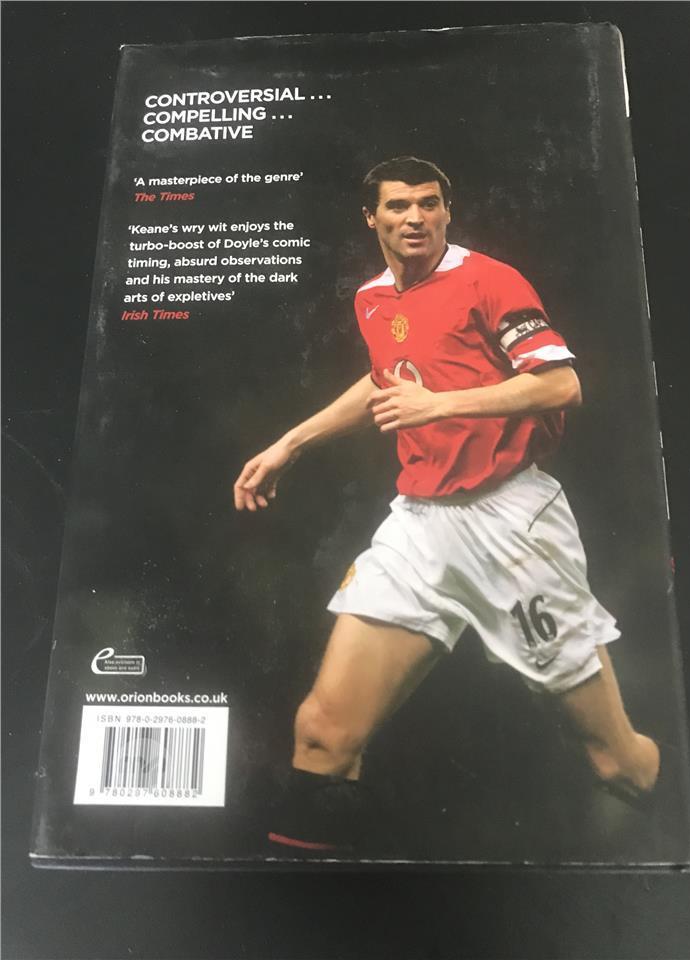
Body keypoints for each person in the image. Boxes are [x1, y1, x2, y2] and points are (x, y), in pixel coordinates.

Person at [233, 156, 660, 854]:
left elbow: (560, 384)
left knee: (617, 766)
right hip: (421, 525)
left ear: (446, 212)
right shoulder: (374, 297)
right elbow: (384, 380)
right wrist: (291, 443)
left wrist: (440, 404)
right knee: (323, 734)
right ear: (371, 218)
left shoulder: (489, 281)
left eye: (429, 204)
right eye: (398, 206)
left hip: (513, 522)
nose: (415, 218)